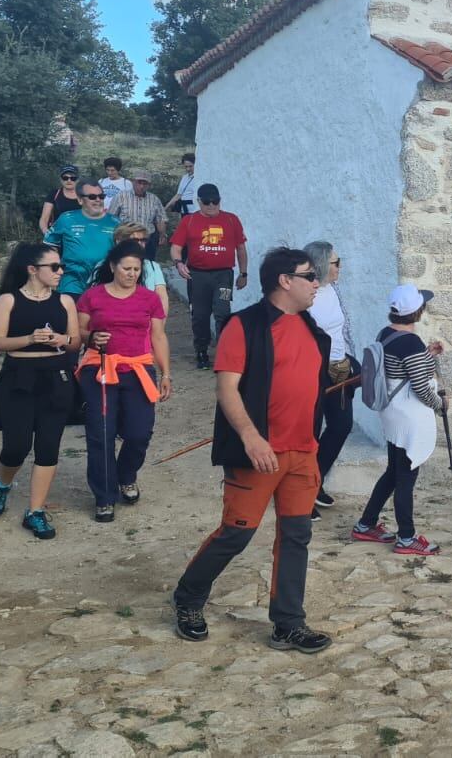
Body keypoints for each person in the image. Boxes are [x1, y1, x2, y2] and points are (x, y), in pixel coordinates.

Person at [173, 247, 332, 652]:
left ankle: (288, 624)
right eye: (310, 276)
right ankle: (189, 599)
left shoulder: (313, 329)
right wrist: (251, 437)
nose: (318, 282)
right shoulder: (244, 326)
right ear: (285, 281)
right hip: (258, 454)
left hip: (302, 453)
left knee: (296, 536)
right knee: (236, 534)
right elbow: (226, 388)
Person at [0, 243, 80, 538]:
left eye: (61, 266)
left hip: (56, 378)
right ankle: (3, 485)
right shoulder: (9, 300)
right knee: (16, 446)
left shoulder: (65, 301)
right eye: (54, 267)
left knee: (48, 447)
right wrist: (29, 338)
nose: (60, 272)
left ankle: (35, 511)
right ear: (32, 270)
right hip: (19, 379)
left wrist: (60, 338)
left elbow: (75, 342)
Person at [75, 240, 172, 522]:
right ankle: (104, 496)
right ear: (112, 267)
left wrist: (166, 373)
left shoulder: (149, 299)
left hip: (139, 369)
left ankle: (126, 475)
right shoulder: (92, 296)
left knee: (140, 432)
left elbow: (158, 336)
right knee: (100, 434)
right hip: (101, 369)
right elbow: (80, 331)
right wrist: (91, 338)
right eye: (126, 268)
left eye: (136, 269)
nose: (131, 273)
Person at [352, 285, 445, 556]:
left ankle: (366, 524)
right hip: (408, 415)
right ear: (417, 311)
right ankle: (406, 537)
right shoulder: (410, 342)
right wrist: (440, 405)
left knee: (394, 471)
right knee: (406, 476)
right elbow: (419, 385)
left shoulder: (387, 333)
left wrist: (428, 354)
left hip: (392, 412)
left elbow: (403, 367)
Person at [170, 183, 249, 370]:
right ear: (199, 202)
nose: (212, 205)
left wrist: (244, 273)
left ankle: (224, 352)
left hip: (223, 275)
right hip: (198, 276)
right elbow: (176, 247)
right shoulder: (189, 221)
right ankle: (201, 350)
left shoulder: (231, 220)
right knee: (200, 315)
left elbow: (241, 248)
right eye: (207, 202)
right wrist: (179, 263)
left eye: (216, 201)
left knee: (222, 311)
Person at [304, 241, 356, 520]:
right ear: (323, 264)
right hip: (314, 371)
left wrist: (349, 360)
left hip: (339, 367)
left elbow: (342, 329)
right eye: (336, 262)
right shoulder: (307, 295)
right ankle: (301, 493)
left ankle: (316, 481)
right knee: (310, 433)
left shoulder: (332, 290)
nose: (339, 267)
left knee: (341, 425)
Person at [43, 181, 119, 298]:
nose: (98, 200)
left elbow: (125, 252)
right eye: (92, 197)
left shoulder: (116, 222)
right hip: (72, 281)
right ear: (80, 200)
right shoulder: (66, 219)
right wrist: (53, 269)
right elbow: (49, 245)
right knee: (72, 314)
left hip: (104, 281)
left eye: (101, 196)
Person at [100, 223, 169, 313]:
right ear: (119, 241)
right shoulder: (104, 265)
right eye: (135, 240)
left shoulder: (153, 267)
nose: (140, 244)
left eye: (143, 240)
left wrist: (159, 323)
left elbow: (162, 298)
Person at [107, 168, 167, 260]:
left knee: (147, 265)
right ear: (133, 182)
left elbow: (160, 219)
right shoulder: (121, 196)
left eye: (145, 183)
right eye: (139, 182)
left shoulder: (154, 199)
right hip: (126, 238)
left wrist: (162, 235)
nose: (141, 186)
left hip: (147, 240)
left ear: (149, 185)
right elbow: (111, 217)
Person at [38, 165, 82, 235]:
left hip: (80, 235)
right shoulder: (54, 195)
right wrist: (46, 232)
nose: (69, 180)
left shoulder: (84, 195)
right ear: (60, 179)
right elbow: (44, 218)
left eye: (73, 178)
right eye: (65, 178)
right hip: (58, 235)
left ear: (78, 179)